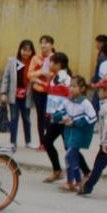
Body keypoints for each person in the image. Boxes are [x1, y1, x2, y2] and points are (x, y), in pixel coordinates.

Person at [56, 76, 97, 192]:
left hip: (79, 134)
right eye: (70, 86)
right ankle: (73, 183)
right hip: (69, 133)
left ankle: (75, 182)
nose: (71, 89)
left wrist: (76, 122)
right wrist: (62, 117)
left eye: (74, 86)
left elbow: (92, 118)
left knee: (69, 156)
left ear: (82, 88)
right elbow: (57, 113)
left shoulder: (85, 103)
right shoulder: (67, 101)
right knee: (72, 157)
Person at [39, 51, 73, 183]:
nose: (50, 64)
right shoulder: (55, 77)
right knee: (47, 141)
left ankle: (85, 172)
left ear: (58, 64)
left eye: (52, 62)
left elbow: (67, 97)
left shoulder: (65, 78)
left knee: (69, 147)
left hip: (63, 118)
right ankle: (57, 170)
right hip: (55, 117)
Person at [0, 39, 35, 152]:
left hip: (27, 96)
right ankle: (13, 142)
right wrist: (3, 93)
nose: (26, 52)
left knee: (27, 119)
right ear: (20, 50)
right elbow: (6, 78)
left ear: (32, 52)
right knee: (14, 118)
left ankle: (28, 141)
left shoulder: (33, 63)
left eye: (29, 50)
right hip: (14, 96)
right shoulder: (12, 62)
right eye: (24, 49)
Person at [28, 35, 55, 148]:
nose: (43, 45)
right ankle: (41, 143)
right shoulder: (36, 58)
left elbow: (55, 74)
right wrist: (40, 73)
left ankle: (48, 141)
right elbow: (30, 74)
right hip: (38, 91)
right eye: (42, 42)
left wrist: (45, 77)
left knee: (48, 116)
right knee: (40, 116)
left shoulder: (55, 58)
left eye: (46, 42)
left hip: (50, 92)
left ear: (52, 45)